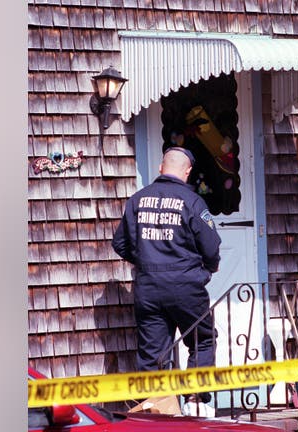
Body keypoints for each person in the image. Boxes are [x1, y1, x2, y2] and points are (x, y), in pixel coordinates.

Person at [112, 146, 221, 406]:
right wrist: (206, 270)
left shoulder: (137, 200)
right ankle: (195, 395)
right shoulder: (193, 202)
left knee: (152, 356)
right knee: (202, 339)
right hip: (185, 286)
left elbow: (120, 244)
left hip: (148, 287)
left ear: (161, 168)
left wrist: (146, 262)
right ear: (188, 172)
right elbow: (211, 248)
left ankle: (154, 413)